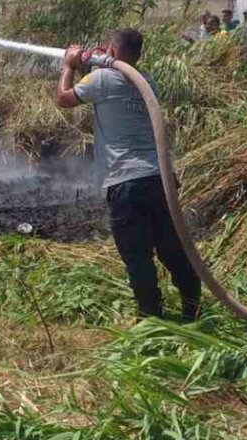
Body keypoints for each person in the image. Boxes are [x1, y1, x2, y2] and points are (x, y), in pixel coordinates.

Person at [54, 29, 202, 321]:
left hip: (125, 182)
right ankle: (193, 311)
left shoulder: (101, 80)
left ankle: (150, 320)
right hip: (160, 179)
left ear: (111, 50)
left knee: (137, 256)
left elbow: (63, 99)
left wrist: (69, 66)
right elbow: (116, 88)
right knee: (173, 249)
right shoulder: (148, 82)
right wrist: (94, 61)